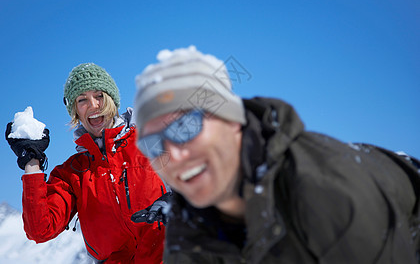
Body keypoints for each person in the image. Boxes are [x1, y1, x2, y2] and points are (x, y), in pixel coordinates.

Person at [132, 46, 420, 263]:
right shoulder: (187, 229)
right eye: (154, 144)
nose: (174, 155)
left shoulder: (328, 192)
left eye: (186, 126)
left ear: (232, 121)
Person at [6, 63, 167, 263]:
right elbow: (40, 230)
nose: (92, 105)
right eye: (82, 99)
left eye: (99, 95)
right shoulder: (72, 173)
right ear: (75, 111)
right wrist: (31, 162)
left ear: (112, 100)